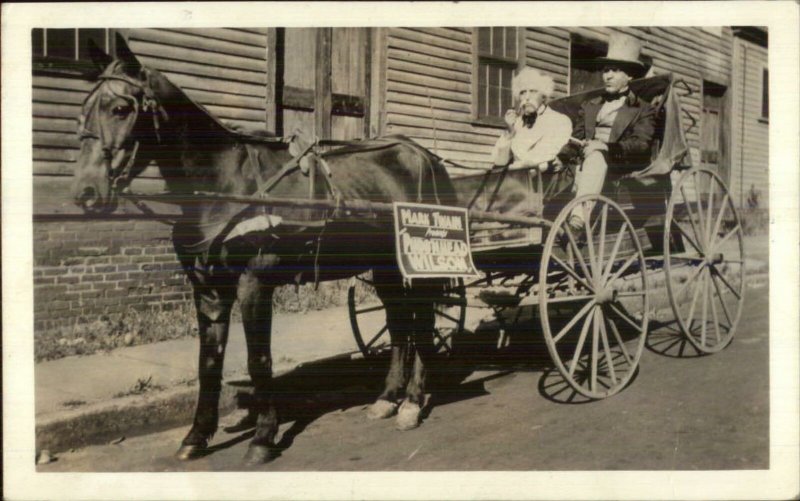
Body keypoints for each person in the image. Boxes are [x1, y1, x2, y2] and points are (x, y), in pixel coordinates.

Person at [557, 33, 657, 231]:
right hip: (584, 160)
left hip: (619, 163)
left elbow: (640, 144)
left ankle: (578, 219)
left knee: (595, 157)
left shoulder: (643, 109)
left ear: (629, 75)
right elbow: (575, 140)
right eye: (605, 70)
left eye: (615, 70)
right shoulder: (590, 106)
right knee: (553, 164)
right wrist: (561, 156)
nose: (608, 76)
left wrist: (604, 147)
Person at [491, 68, 572, 173]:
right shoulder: (516, 123)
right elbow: (499, 161)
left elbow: (546, 159)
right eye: (522, 92)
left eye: (533, 91)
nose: (527, 97)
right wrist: (509, 132)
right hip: (515, 178)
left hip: (542, 180)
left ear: (544, 96)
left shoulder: (559, 121)